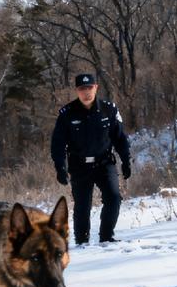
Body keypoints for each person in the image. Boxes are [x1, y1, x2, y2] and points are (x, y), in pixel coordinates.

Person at [50, 73, 131, 245]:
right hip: (79, 166)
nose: (86, 92)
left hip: (104, 163)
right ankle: (82, 242)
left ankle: (107, 237)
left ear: (96, 88)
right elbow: (57, 143)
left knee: (114, 198)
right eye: (82, 89)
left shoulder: (109, 110)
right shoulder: (67, 114)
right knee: (82, 206)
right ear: (77, 91)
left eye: (89, 87)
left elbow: (120, 138)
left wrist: (126, 160)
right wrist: (60, 167)